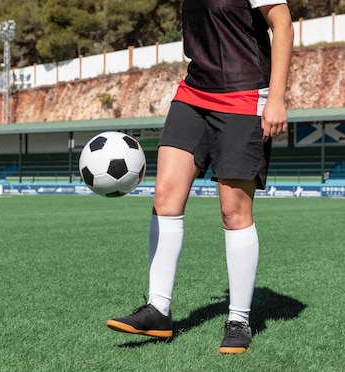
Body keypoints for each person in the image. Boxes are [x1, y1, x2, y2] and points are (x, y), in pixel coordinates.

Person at [106, 0, 294, 354]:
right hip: (194, 92)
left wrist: (277, 97)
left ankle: (239, 319)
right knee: (164, 196)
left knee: (233, 211)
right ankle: (158, 309)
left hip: (245, 93)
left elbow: (282, 25)